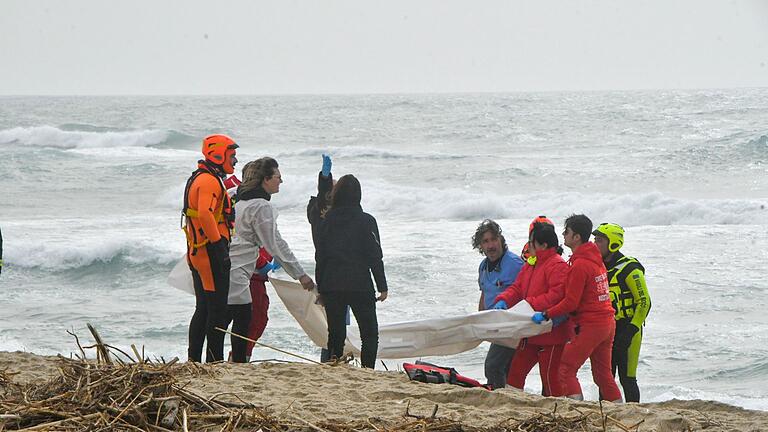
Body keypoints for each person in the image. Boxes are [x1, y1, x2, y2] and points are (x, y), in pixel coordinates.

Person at [227, 157, 316, 363]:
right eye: (278, 177)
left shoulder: (240, 201)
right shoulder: (261, 206)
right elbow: (275, 244)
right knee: (245, 319)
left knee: (222, 317)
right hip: (240, 269)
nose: (281, 182)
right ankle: (239, 363)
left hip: (231, 266)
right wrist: (300, 275)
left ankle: (219, 361)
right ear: (266, 179)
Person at [531, 214, 622, 402]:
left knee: (566, 368)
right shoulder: (595, 259)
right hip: (607, 323)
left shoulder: (580, 264)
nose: (563, 235)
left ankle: (577, 409)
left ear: (576, 237)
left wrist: (546, 313)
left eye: (567, 232)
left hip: (592, 325)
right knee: (603, 375)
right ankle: (620, 411)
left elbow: (570, 303)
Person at [314, 174, 387, 369]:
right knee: (369, 334)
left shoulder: (326, 221)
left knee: (336, 334)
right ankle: (368, 370)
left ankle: (335, 368)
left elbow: (320, 256)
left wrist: (321, 287)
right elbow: (374, 255)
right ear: (358, 196)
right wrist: (382, 286)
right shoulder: (367, 220)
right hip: (360, 284)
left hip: (332, 284)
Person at [491, 222, 572, 396]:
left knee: (550, 378)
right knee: (515, 374)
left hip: (551, 333)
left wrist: (530, 304)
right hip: (530, 333)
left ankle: (556, 410)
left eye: (532, 241)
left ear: (543, 245)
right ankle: (514, 403)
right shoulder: (531, 264)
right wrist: (503, 300)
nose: (529, 245)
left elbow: (557, 296)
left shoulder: (558, 265)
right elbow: (517, 287)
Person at [183, 134, 239, 363]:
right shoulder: (208, 181)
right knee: (217, 310)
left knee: (204, 308)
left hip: (198, 253)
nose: (235, 161)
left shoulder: (202, 178)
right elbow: (205, 213)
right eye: (232, 155)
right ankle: (213, 361)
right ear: (218, 155)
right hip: (209, 254)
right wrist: (218, 246)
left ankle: (194, 360)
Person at [593, 223, 651, 403]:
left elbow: (645, 302)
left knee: (627, 379)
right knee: (605, 378)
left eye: (600, 241)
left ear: (613, 244)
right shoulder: (597, 267)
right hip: (606, 330)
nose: (595, 244)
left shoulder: (630, 268)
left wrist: (630, 330)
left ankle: (634, 415)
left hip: (628, 330)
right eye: (595, 240)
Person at [306, 154, 351, 362]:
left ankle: (331, 357)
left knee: (337, 323)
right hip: (330, 275)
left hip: (338, 273)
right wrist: (325, 178)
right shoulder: (319, 213)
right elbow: (324, 196)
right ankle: (329, 359)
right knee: (335, 323)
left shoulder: (336, 214)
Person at [472, 219, 524, 389]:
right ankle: (507, 396)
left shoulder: (515, 264)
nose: (490, 245)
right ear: (480, 246)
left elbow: (528, 293)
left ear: (501, 240)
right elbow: (484, 293)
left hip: (513, 326)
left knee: (493, 366)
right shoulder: (483, 267)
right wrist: (480, 320)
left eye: (493, 239)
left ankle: (498, 398)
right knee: (506, 368)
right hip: (495, 326)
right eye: (485, 241)